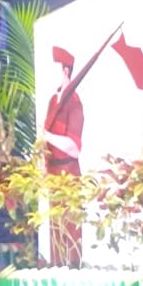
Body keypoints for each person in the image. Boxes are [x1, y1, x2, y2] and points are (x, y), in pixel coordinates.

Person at [43, 46, 84, 267]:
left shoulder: (74, 102)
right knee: (54, 229)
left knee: (69, 228)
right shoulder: (53, 100)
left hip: (68, 173)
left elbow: (74, 147)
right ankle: (57, 267)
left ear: (66, 71)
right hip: (52, 171)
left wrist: (49, 135)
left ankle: (73, 268)